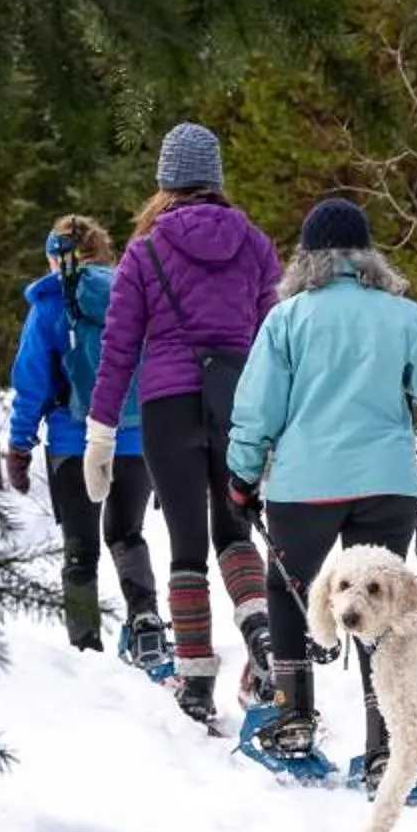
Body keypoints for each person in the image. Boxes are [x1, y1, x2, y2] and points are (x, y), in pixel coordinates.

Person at [225, 197, 417, 772]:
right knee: (380, 606)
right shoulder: (399, 313)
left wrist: (241, 472)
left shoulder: (287, 319)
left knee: (287, 590)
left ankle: (293, 719)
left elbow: (257, 407)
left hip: (304, 486)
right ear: (367, 256)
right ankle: (387, 746)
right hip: (387, 484)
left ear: (307, 258)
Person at [84, 122, 280, 725]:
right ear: (216, 179)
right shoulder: (254, 244)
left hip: (167, 407)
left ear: (165, 182)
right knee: (235, 532)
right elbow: (273, 339)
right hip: (237, 403)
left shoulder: (144, 252)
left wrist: (101, 430)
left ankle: (195, 681)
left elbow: (119, 348)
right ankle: (264, 637)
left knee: (187, 545)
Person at [4, 215, 158, 655]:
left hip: (73, 441)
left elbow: (32, 383)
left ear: (56, 256)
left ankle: (85, 646)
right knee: (128, 533)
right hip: (134, 436)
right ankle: (145, 618)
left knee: (80, 547)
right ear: (103, 251)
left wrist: (19, 446)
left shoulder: (51, 304)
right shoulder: (134, 294)